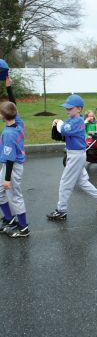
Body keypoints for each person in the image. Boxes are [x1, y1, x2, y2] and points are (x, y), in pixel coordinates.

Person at [47, 94, 97, 221]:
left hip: (76, 155)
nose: (67, 110)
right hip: (75, 154)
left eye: (70, 108)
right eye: (67, 108)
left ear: (79, 109)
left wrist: (58, 122)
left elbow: (64, 129)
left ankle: (61, 210)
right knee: (82, 182)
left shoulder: (78, 121)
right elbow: (64, 127)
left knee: (65, 182)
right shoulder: (72, 119)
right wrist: (60, 122)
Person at [0, 76, 29, 237]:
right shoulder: (19, 123)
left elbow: (10, 158)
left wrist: (7, 178)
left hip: (13, 168)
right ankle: (9, 219)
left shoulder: (9, 134)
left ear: (3, 116)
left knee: (15, 196)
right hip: (8, 166)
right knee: (0, 192)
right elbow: (14, 106)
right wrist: (9, 87)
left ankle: (23, 227)